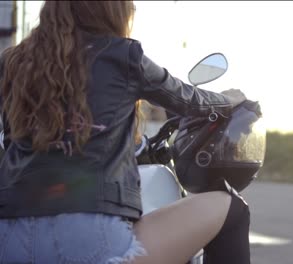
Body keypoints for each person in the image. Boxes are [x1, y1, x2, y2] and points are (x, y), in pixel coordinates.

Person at [0, 1, 251, 263]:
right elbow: (185, 98)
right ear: (112, 10)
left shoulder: (12, 61)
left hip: (8, 238)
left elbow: (9, 140)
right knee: (232, 209)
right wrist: (226, 100)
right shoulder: (122, 55)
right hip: (88, 239)